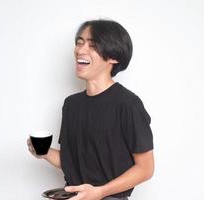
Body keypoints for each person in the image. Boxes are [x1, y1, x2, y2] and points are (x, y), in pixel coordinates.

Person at [27, 19, 154, 200]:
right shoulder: (71, 105)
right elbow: (73, 161)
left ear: (113, 57)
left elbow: (146, 168)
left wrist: (100, 192)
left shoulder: (128, 104)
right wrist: (44, 153)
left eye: (92, 45)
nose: (80, 50)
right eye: (79, 43)